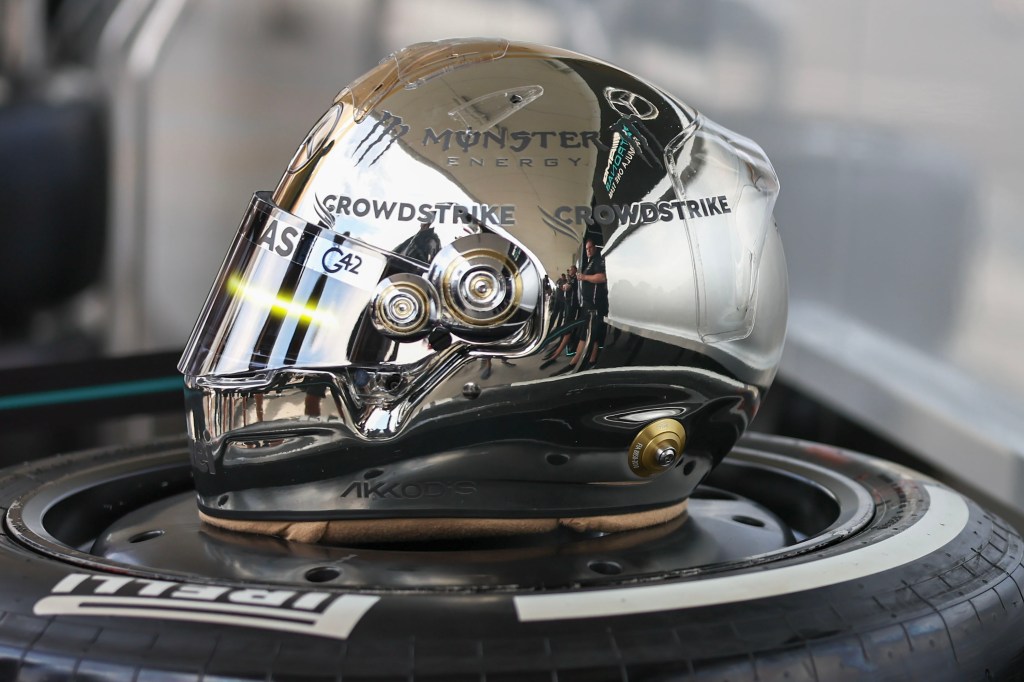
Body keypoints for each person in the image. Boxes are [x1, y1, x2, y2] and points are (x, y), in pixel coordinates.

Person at [569, 239, 607, 369]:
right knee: (591, 332)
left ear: (595, 248)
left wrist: (584, 277)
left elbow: (602, 277)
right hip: (586, 303)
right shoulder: (589, 262)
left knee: (586, 332)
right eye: (586, 249)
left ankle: (576, 361)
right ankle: (591, 360)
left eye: (590, 247)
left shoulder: (598, 260)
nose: (588, 250)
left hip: (594, 304)